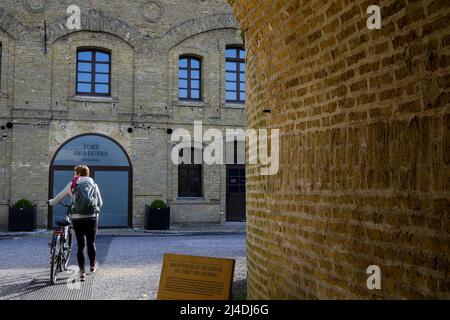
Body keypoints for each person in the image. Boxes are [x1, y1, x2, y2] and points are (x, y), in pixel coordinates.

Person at [48, 165, 103, 281]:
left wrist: (51, 202)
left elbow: (58, 198)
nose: (73, 175)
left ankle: (82, 273)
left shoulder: (72, 185)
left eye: (75, 173)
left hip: (77, 218)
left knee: (80, 245)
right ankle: (92, 266)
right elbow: (100, 203)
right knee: (91, 243)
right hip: (92, 217)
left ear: (78, 173)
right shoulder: (94, 185)